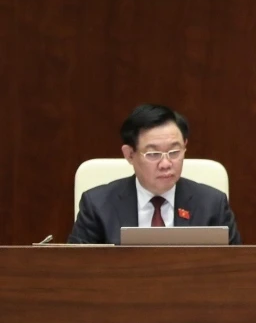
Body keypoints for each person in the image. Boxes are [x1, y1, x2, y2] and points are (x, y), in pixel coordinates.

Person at [69, 104, 241, 245]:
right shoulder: (97, 205)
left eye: (174, 152)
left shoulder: (212, 204)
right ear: (129, 154)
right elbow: (77, 268)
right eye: (153, 154)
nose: (166, 164)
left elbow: (235, 268)